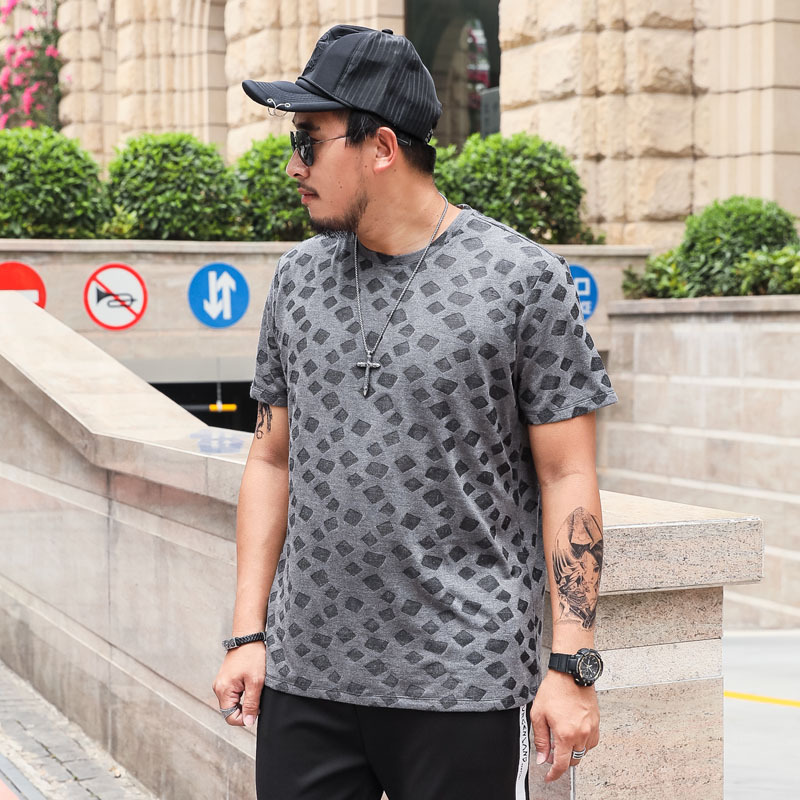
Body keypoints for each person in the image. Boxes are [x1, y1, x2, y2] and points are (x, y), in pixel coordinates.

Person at [212, 24, 618, 800]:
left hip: (463, 680)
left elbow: (568, 476)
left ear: (382, 147)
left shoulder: (523, 280)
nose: (294, 165)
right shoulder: (296, 279)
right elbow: (270, 457)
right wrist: (246, 632)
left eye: (309, 140)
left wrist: (572, 665)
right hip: (305, 675)